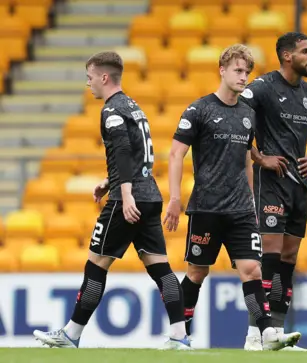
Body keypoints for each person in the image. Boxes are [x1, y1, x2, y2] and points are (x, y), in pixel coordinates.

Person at [33, 51, 190, 350]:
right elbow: (138, 153)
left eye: (90, 77)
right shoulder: (134, 106)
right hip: (150, 195)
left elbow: (121, 150)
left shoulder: (111, 110)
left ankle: (71, 335)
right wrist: (110, 181)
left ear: (104, 77)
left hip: (127, 199)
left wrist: (124, 193)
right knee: (160, 268)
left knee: (96, 265)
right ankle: (180, 336)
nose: (88, 84)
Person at [162, 44, 302, 351]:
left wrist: (252, 201)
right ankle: (178, 335)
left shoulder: (247, 114)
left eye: (247, 72)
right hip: (207, 208)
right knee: (197, 272)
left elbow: (244, 160)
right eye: (238, 71)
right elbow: (176, 154)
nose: (243, 77)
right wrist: (174, 199)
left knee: (252, 270)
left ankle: (266, 334)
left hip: (240, 209)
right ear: (222, 71)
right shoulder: (198, 110)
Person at [238, 32, 307, 352]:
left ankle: (275, 334)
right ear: (287, 56)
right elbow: (236, 116)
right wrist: (259, 156)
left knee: (288, 260)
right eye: (306, 51)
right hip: (271, 184)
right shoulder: (262, 87)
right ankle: (254, 334)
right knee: (270, 258)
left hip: (299, 186)